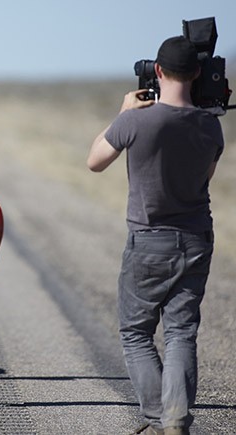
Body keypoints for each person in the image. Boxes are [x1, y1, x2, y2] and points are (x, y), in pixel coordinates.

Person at [87, 36, 224, 435]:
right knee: (182, 332)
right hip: (196, 238)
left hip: (148, 240)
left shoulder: (136, 120)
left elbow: (95, 162)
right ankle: (177, 416)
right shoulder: (211, 126)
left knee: (135, 332)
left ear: (158, 72)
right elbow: (205, 180)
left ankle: (156, 417)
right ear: (197, 72)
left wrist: (122, 112)